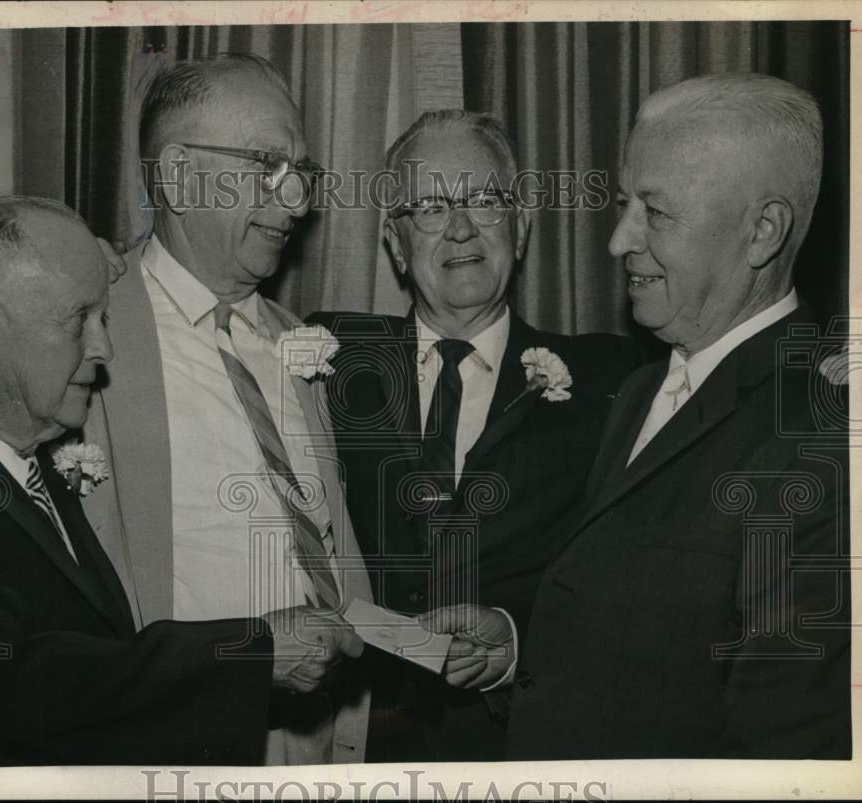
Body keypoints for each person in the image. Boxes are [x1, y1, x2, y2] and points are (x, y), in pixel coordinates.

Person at [425, 73, 851, 759]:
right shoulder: (640, 388)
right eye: (624, 204)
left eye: (654, 211)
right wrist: (513, 642)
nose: (619, 240)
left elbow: (786, 747)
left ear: (762, 231)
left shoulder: (824, 435)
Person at [0, 193, 363, 770]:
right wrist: (252, 651)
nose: (105, 347)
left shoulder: (27, 461)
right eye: (79, 321)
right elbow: (12, 681)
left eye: (104, 318)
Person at [308, 109, 636, 761]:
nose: (460, 228)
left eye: (484, 201)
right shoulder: (328, 355)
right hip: (358, 749)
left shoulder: (613, 379)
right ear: (396, 244)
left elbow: (626, 582)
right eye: (429, 207)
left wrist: (516, 639)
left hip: (523, 749)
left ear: (520, 224)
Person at [80, 56, 372, 764]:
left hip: (319, 740)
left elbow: (331, 557)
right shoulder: (90, 329)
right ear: (177, 176)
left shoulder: (289, 337)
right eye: (266, 163)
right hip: (177, 741)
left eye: (302, 168)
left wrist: (432, 642)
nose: (297, 198)